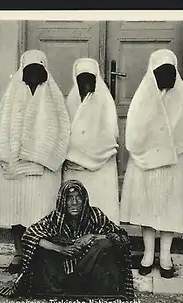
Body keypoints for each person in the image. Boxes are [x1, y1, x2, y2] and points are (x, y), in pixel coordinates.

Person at [0, 50, 71, 274]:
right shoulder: (12, 95)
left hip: (42, 168)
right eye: (29, 71)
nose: (34, 76)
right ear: (22, 72)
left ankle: (39, 255)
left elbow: (63, 130)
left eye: (38, 71)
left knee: (40, 212)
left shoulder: (53, 97)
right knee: (17, 211)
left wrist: (47, 155)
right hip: (15, 165)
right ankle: (19, 253)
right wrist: (6, 153)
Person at [120, 49, 183, 278]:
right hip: (146, 162)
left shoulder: (182, 98)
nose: (167, 77)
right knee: (148, 206)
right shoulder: (143, 98)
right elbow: (135, 131)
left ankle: (165, 255)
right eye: (161, 72)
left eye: (170, 72)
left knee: (169, 206)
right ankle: (148, 253)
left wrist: (166, 144)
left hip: (173, 161)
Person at [0, 180, 134, 300]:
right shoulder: (55, 218)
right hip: (62, 273)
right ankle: (64, 290)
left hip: (89, 271)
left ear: (84, 199)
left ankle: (90, 289)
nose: (74, 203)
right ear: (63, 200)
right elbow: (29, 236)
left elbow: (121, 236)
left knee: (106, 244)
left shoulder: (95, 215)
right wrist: (60, 248)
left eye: (78, 198)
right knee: (42, 251)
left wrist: (93, 236)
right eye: (69, 198)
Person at [63, 58, 120, 224]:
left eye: (90, 79)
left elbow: (110, 135)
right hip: (74, 166)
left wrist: (88, 155)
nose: (86, 84)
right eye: (82, 79)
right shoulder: (71, 102)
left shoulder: (105, 102)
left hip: (100, 165)